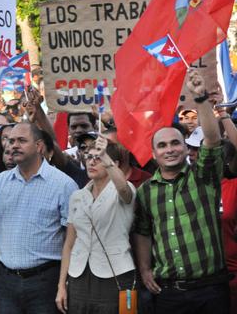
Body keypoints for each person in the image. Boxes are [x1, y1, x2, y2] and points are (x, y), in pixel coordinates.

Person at [134, 69, 231, 313]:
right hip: (168, 294)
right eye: (162, 145)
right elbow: (143, 232)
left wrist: (199, 99)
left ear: (186, 149)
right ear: (154, 154)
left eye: (176, 143)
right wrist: (145, 269)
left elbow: (212, 139)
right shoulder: (145, 191)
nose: (170, 149)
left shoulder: (203, 176)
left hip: (211, 290)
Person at [0, 122, 78, 313]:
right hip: (6, 279)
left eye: (21, 140)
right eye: (11, 141)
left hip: (46, 280)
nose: (13, 146)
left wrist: (63, 284)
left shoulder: (63, 185)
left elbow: (72, 240)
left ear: (39, 146)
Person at [55, 137, 136, 313]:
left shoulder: (124, 188)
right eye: (89, 157)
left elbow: (124, 191)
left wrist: (106, 158)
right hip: (78, 274)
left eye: (98, 158)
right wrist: (62, 285)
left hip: (115, 273)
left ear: (113, 163)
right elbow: (69, 244)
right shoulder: (78, 195)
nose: (92, 161)